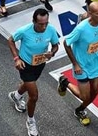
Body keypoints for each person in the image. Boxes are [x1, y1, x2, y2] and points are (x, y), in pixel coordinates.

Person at [57, 1, 98, 124]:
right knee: (84, 96)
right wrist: (75, 64)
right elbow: (66, 43)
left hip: (96, 63)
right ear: (90, 13)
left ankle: (80, 110)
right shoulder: (81, 28)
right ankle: (65, 82)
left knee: (95, 92)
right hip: (82, 65)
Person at [7, 8, 61, 136]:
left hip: (40, 64)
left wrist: (52, 53)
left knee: (29, 84)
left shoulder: (51, 30)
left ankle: (16, 95)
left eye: (46, 23)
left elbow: (55, 45)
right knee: (34, 96)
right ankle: (30, 121)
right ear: (34, 22)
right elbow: (10, 40)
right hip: (25, 65)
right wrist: (16, 59)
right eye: (41, 24)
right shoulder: (25, 31)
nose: (44, 26)